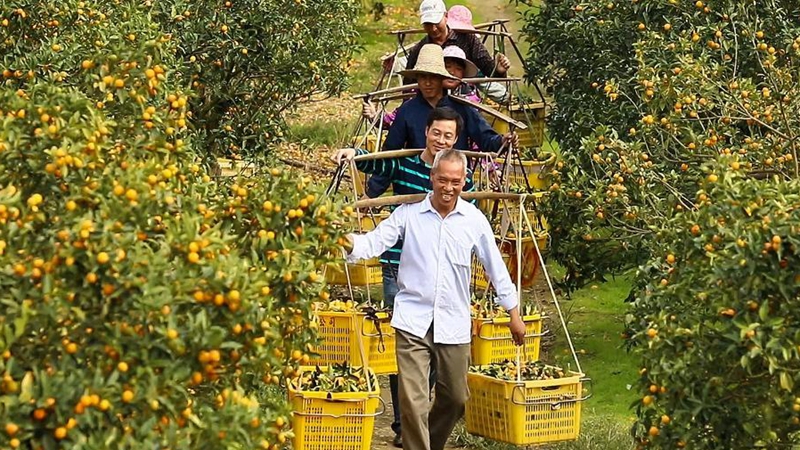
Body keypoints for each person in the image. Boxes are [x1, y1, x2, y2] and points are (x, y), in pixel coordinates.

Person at [342, 149, 526, 450]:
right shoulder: (408, 215)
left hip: (453, 322)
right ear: (432, 178)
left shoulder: (473, 220)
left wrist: (513, 313)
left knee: (455, 397)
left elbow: (496, 267)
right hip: (413, 320)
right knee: (412, 400)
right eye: (442, 180)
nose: (448, 188)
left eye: (455, 181)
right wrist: (346, 241)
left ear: (464, 181)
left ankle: (432, 443)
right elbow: (373, 242)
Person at [332, 107, 475, 448]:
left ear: (456, 140)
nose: (441, 140)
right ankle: (404, 423)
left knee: (444, 368)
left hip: (440, 279)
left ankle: (423, 426)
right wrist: (354, 155)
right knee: (409, 357)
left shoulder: (456, 177)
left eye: (448, 136)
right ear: (426, 132)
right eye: (436, 133)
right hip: (399, 267)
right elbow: (378, 161)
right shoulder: (406, 162)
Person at [403, 0, 512, 85]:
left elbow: (489, 70)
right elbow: (408, 83)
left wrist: (499, 70)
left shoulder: (468, 39)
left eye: (436, 22)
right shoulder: (421, 49)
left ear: (446, 17)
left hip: (462, 100)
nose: (433, 29)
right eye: (428, 24)